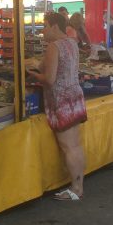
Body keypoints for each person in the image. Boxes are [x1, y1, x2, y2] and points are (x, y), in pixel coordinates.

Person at [29, 11, 87, 200]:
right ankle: (78, 186)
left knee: (69, 147)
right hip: (75, 97)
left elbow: (49, 79)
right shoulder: (72, 42)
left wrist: (32, 74)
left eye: (44, 26)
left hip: (61, 101)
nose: (42, 31)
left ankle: (75, 190)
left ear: (54, 26)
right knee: (75, 145)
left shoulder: (54, 46)